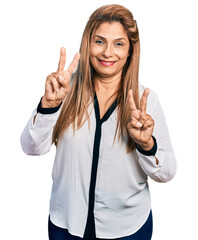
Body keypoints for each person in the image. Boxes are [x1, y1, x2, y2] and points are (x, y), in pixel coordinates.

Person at [20, 4, 177, 240]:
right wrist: (49, 106)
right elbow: (31, 148)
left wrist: (147, 145)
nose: (107, 53)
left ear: (130, 51)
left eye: (119, 44)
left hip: (126, 230)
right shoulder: (64, 89)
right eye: (100, 41)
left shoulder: (146, 102)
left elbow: (167, 173)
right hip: (66, 225)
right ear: (87, 44)